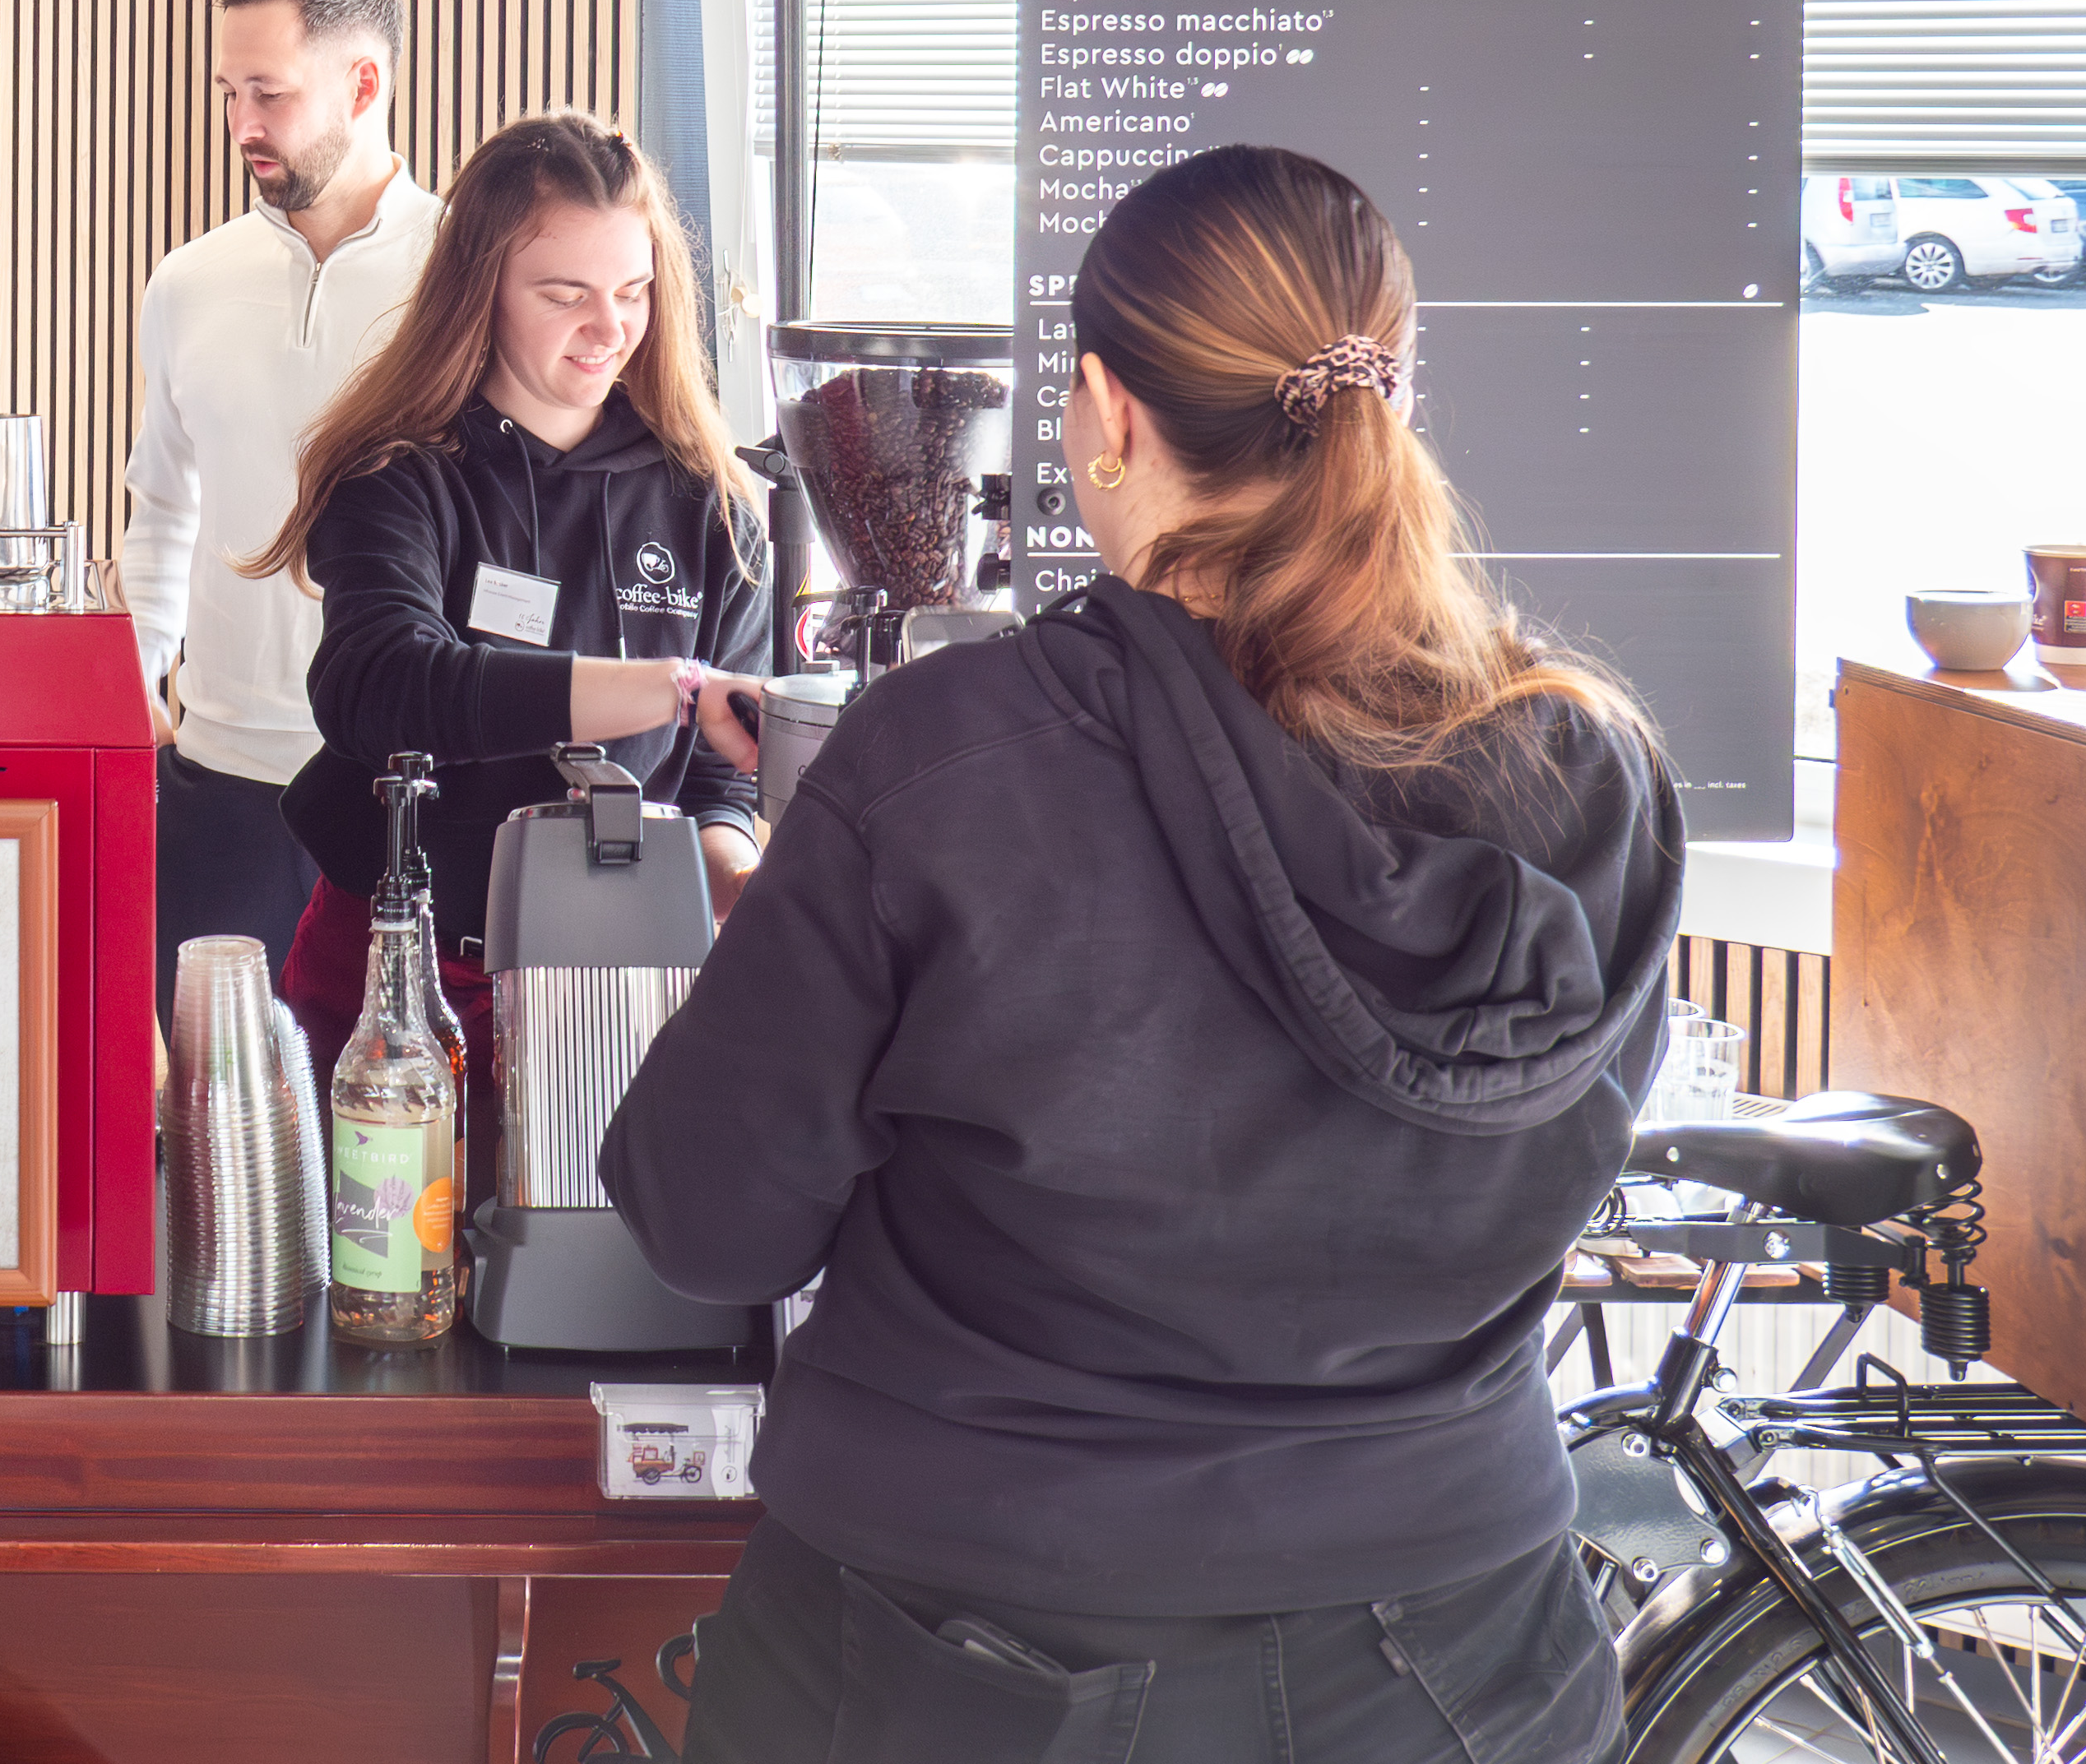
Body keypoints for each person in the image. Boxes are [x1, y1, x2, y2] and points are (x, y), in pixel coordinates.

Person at [605, 144, 1680, 1764]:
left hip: (955, 1655)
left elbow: (708, 1222)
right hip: (1472, 1668)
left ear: (1105, 413)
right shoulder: (1588, 773)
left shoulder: (944, 764)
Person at [248, 111, 768, 1103]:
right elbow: (382, 686)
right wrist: (669, 688)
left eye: (632, 292)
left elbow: (717, 782)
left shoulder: (714, 501)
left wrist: (729, 877)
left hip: (627, 967)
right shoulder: (400, 477)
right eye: (564, 294)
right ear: (480, 291)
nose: (609, 328)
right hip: (403, 967)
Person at [121, 0, 441, 1017]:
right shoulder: (188, 281)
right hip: (218, 786)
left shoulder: (465, 277)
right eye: (228, 92)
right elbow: (163, 504)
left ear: (365, 83)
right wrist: (134, 670)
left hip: (412, 787)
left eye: (271, 93)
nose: (244, 126)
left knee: (405, 1136)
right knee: (207, 1141)